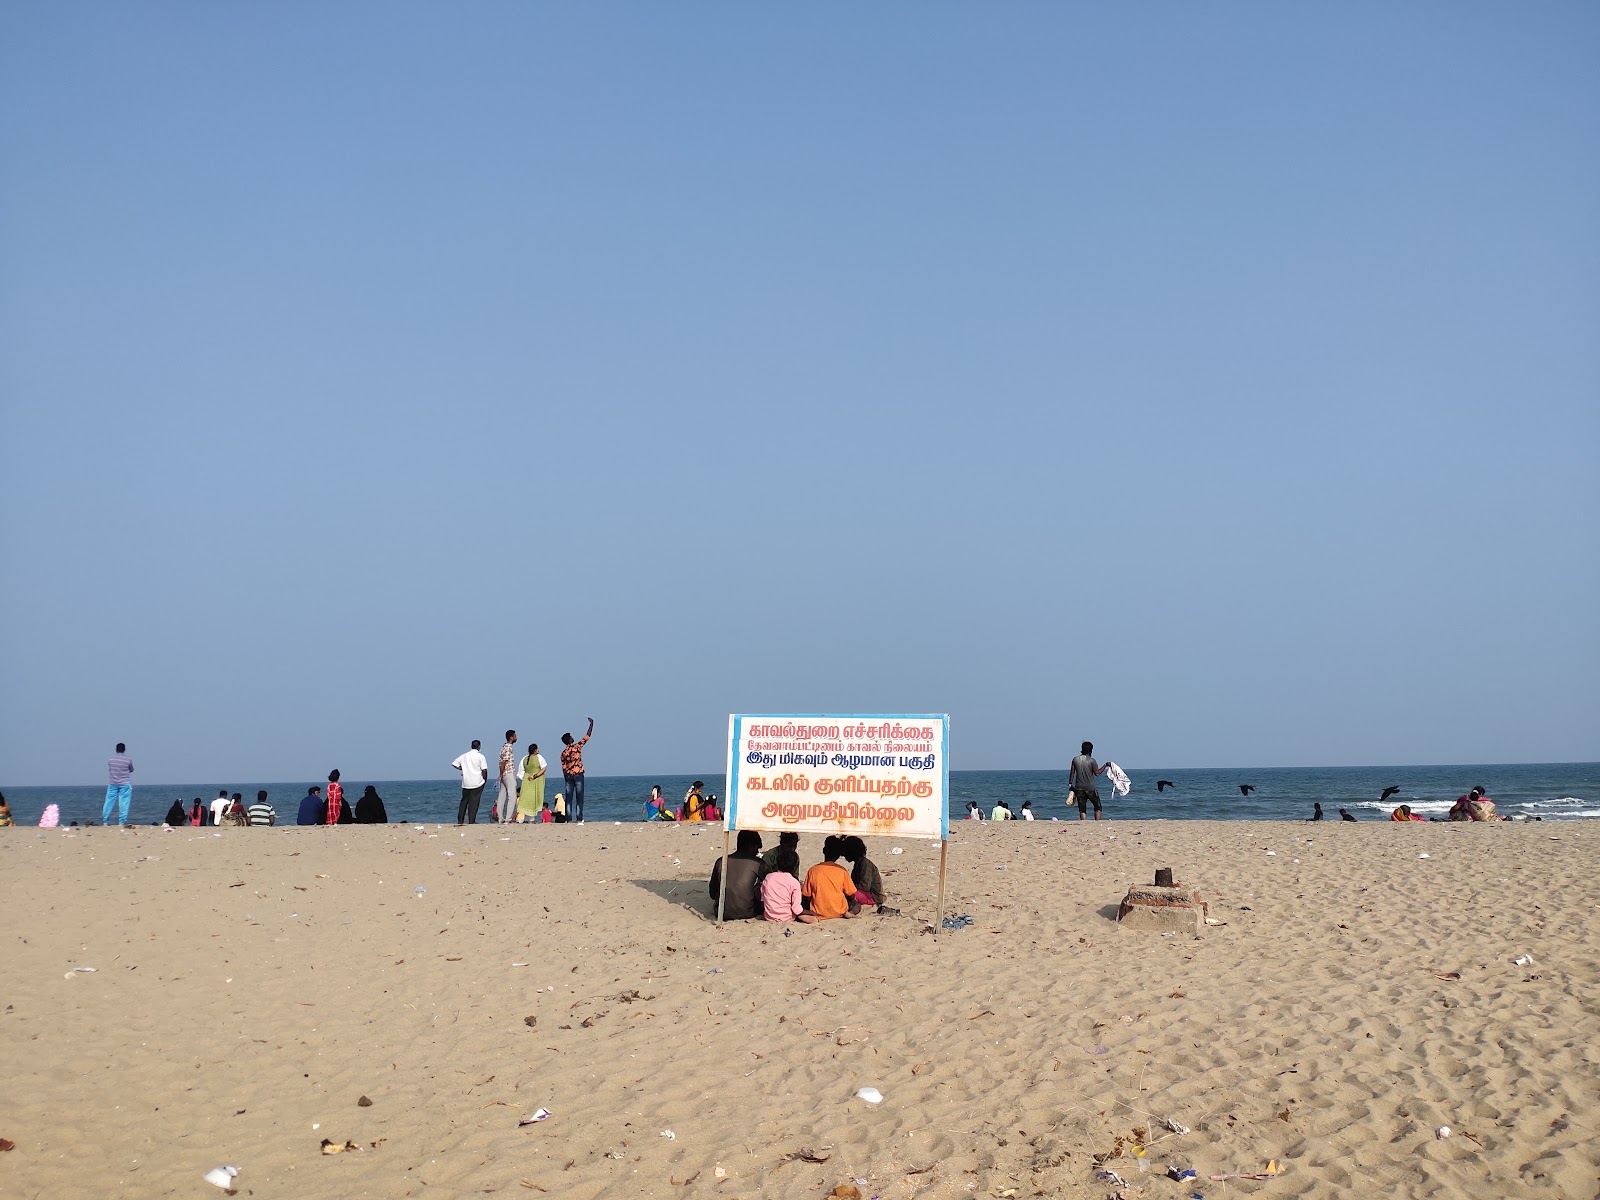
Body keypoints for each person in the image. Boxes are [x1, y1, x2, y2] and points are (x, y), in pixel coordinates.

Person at [709, 830, 765, 919]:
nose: (756, 852)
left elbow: (712, 893)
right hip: (749, 912)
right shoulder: (758, 863)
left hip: (722, 912)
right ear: (751, 846)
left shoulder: (721, 862)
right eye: (756, 848)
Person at [802, 836, 859, 920]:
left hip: (817, 912)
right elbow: (851, 895)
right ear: (839, 854)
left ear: (824, 851)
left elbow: (806, 896)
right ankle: (849, 913)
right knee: (857, 904)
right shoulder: (842, 871)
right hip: (839, 912)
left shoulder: (813, 870)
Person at [761, 847, 814, 923]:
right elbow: (796, 909)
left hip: (769, 917)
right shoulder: (794, 882)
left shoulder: (768, 878)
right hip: (787, 918)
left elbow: (763, 899)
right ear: (794, 867)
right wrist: (811, 912)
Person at [559, 718, 594, 823]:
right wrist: (591, 724)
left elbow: (564, 768)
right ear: (570, 739)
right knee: (579, 797)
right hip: (578, 773)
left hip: (569, 776)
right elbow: (587, 736)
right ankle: (579, 818)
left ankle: (568, 819)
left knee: (568, 798)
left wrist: (566, 779)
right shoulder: (576, 747)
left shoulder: (563, 753)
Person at [840, 835, 885, 909]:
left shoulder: (865, 864)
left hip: (873, 896)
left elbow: (865, 886)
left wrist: (848, 888)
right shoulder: (859, 863)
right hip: (866, 893)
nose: (844, 855)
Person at [452, 739, 489, 824]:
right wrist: (485, 780)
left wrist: (463, 768)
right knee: (474, 802)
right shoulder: (480, 756)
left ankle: (460, 820)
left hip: (466, 782)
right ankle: (471, 820)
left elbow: (454, 763)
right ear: (479, 746)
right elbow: (484, 770)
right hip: (477, 782)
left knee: (464, 801)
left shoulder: (464, 756)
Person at [1069, 741, 1108, 821]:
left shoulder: (1075, 760)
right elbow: (1097, 773)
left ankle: (1084, 823)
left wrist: (1070, 783)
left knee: (1082, 808)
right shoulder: (1092, 761)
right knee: (1097, 807)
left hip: (1079, 788)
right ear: (1091, 750)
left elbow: (1072, 773)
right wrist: (1105, 765)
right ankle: (1097, 823)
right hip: (1090, 788)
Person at [104, 743, 134, 826]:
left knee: (109, 801)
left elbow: (110, 769)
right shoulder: (128, 760)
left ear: (116, 749)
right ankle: (122, 821)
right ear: (124, 749)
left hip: (113, 783)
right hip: (124, 783)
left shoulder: (110, 759)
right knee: (124, 802)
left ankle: (105, 821)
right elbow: (131, 769)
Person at [516, 744, 546, 822]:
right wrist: (535, 775)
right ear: (535, 750)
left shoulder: (524, 759)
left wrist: (525, 777)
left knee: (526, 798)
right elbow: (544, 768)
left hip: (526, 779)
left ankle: (526, 818)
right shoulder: (539, 757)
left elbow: (520, 772)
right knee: (533, 798)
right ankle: (531, 819)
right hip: (536, 780)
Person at [495, 730, 519, 825]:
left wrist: (501, 773)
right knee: (512, 796)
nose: (516, 737)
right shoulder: (509, 747)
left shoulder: (503, 747)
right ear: (511, 737)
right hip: (508, 772)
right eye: (515, 736)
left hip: (504, 773)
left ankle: (500, 817)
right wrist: (501, 773)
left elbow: (501, 761)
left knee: (502, 795)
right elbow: (505, 761)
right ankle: (508, 818)